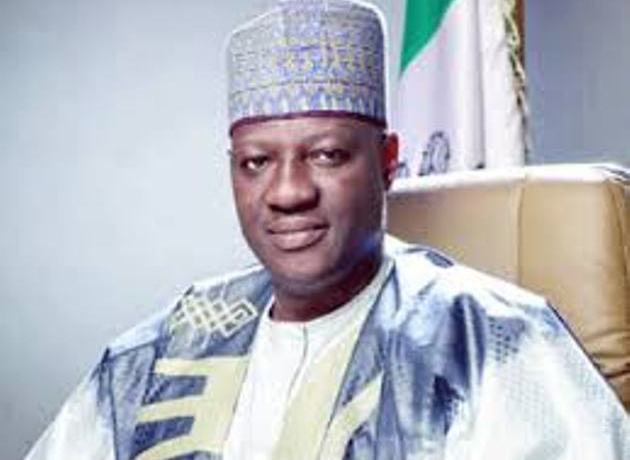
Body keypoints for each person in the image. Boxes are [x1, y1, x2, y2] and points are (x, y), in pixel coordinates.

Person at [26, 0, 628, 459]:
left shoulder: (493, 341)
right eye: (256, 162)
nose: (288, 192)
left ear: (388, 162)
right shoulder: (162, 350)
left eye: (326, 155)